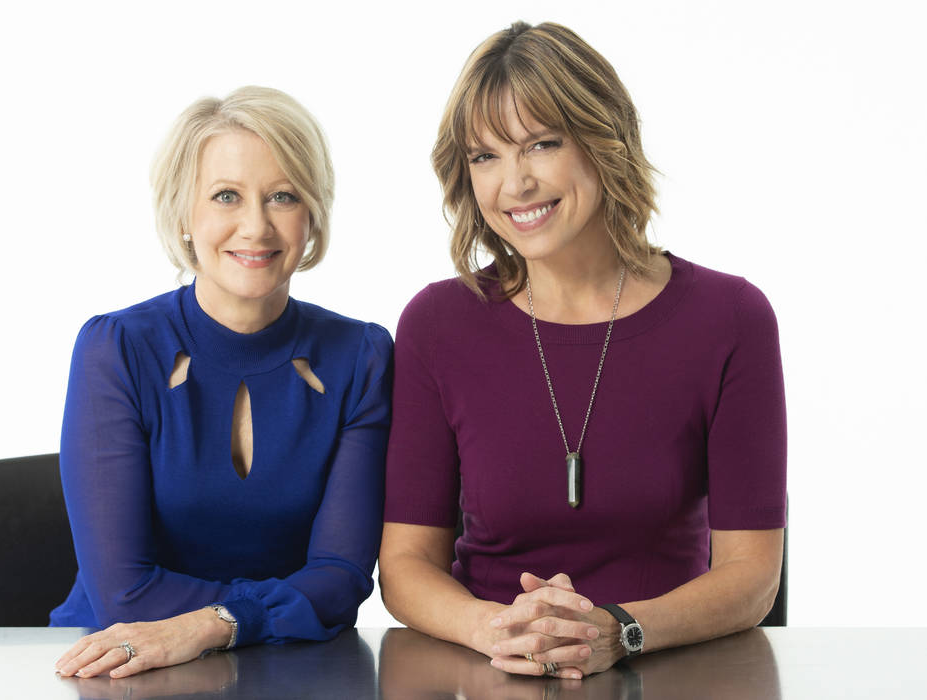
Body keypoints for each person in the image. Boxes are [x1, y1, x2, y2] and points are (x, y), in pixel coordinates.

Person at [379, 21, 786, 681]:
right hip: (493, 673)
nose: (515, 183)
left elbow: (753, 576)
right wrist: (496, 629)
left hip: (670, 673)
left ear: (603, 140)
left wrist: (619, 631)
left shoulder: (730, 318)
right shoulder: (436, 324)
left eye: (541, 144)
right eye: (485, 156)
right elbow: (404, 566)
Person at [50, 86, 392, 679]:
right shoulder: (118, 349)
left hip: (288, 671)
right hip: (117, 667)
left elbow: (341, 578)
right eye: (226, 196)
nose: (255, 226)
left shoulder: (359, 357)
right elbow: (122, 595)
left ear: (311, 214)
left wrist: (218, 624)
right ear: (184, 215)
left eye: (282, 196)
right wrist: (279, 608)